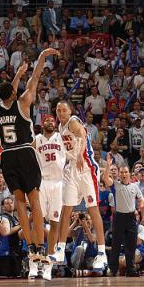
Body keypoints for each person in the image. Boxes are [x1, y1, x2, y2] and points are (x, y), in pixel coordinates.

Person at [0, 48, 59, 272]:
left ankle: (30, 246)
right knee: (35, 201)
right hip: (24, 151)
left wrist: (17, 75)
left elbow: (7, 93)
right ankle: (40, 246)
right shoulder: (22, 102)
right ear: (13, 92)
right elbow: (36, 78)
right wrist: (42, 56)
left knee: (19, 202)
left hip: (7, 155)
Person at [51, 100, 108, 274]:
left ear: (70, 111)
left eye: (64, 110)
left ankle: (102, 253)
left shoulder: (73, 121)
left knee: (92, 208)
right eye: (58, 110)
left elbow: (83, 135)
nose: (61, 113)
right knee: (66, 208)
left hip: (86, 168)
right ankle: (60, 248)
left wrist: (81, 155)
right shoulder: (60, 128)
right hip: (71, 169)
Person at [35, 115, 66, 280]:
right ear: (42, 124)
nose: (50, 123)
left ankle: (49, 262)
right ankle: (35, 257)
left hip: (58, 183)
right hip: (42, 181)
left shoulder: (61, 137)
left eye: (53, 121)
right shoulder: (37, 139)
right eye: (47, 121)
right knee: (38, 221)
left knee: (55, 222)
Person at [104, 164, 144, 276]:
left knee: (131, 245)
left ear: (129, 174)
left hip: (131, 218)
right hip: (119, 217)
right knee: (116, 245)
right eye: (121, 172)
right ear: (119, 174)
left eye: (126, 172)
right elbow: (106, 179)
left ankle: (131, 270)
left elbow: (141, 199)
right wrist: (108, 165)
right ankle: (113, 270)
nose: (123, 174)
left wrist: (140, 205)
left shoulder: (135, 186)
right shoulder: (115, 185)